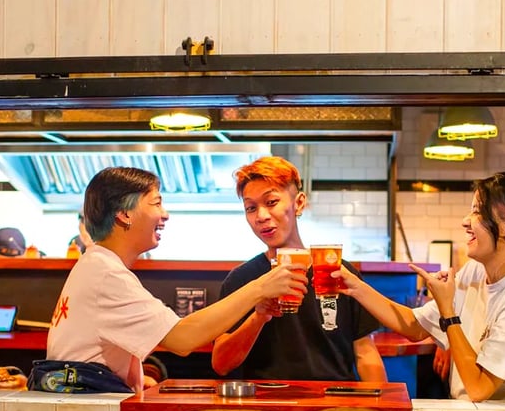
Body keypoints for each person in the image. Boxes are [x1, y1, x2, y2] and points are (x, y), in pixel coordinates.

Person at [33, 166, 307, 393]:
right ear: (124, 214)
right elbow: (183, 338)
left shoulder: (95, 264)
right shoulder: (106, 274)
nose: (165, 215)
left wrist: (136, 378)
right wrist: (261, 287)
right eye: (157, 203)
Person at [333, 170, 505, 402]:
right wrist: (354, 286)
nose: (465, 222)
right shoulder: (476, 271)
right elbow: (413, 326)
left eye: (477, 212)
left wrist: (448, 312)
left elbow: (479, 388)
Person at [211, 156, 386, 382]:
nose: (261, 216)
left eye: (271, 202)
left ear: (299, 203)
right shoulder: (242, 279)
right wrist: (258, 318)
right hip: (267, 406)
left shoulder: (339, 272)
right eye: (251, 208)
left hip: (335, 403)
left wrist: (382, 408)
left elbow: (365, 352)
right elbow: (221, 364)